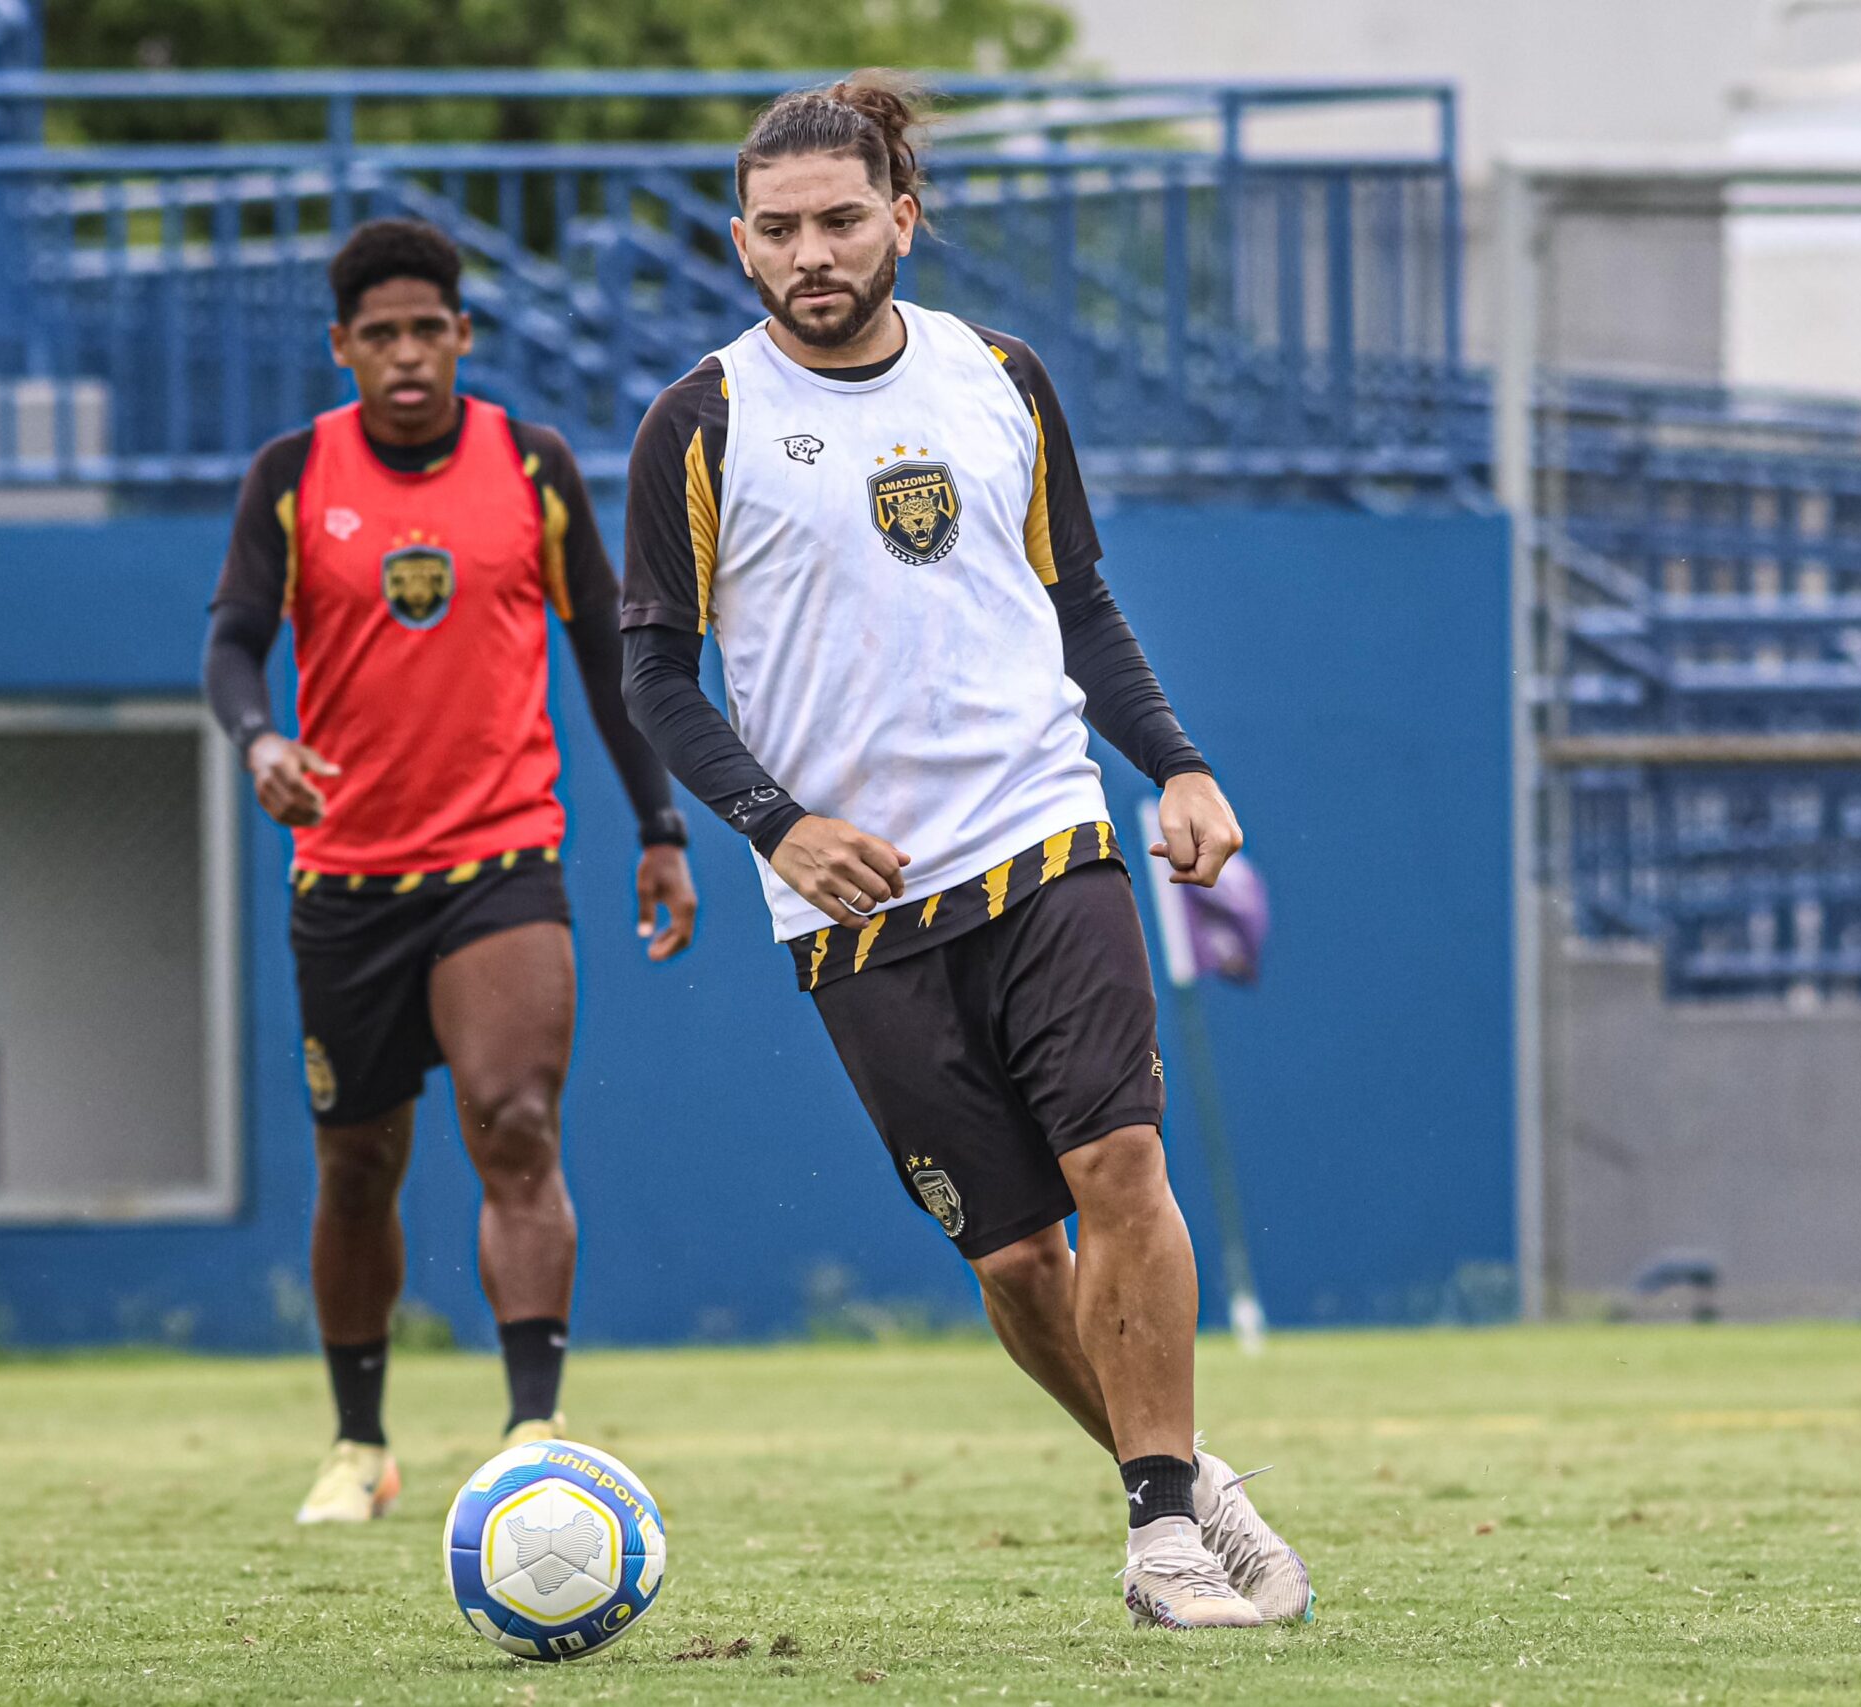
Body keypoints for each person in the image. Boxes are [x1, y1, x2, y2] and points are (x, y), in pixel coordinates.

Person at [619, 75, 1311, 1629]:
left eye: (843, 220)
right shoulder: (703, 421)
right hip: (849, 904)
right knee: (1013, 1257)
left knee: (1119, 1162)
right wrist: (780, 821)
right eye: (781, 228)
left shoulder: (1001, 376)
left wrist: (1179, 763)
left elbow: (1079, 603)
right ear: (740, 242)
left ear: (903, 219)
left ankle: (1152, 1536)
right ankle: (1193, 1480)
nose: (815, 251)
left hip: (1039, 834)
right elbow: (657, 672)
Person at [203, 219, 700, 1522]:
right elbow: (235, 644)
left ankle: (534, 1426)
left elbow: (608, 655)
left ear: (465, 335)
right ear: (343, 348)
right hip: (347, 877)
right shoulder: (293, 475)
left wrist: (660, 826)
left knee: (517, 1120)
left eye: (430, 329)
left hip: (502, 860)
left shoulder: (530, 465)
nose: (409, 355)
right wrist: (260, 742)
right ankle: (359, 1442)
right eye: (381, 335)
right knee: (359, 1161)